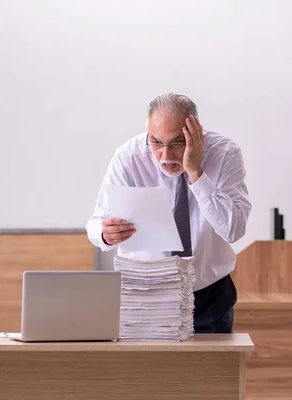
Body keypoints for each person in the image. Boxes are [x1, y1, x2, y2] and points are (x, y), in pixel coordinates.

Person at [85, 93, 252, 333]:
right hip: (145, 293)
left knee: (211, 371)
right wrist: (104, 234)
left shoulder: (225, 155)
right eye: (156, 142)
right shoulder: (128, 157)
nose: (165, 155)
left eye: (176, 143)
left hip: (208, 294)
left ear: (196, 133)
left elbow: (233, 229)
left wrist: (195, 171)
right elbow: (95, 225)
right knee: (149, 370)